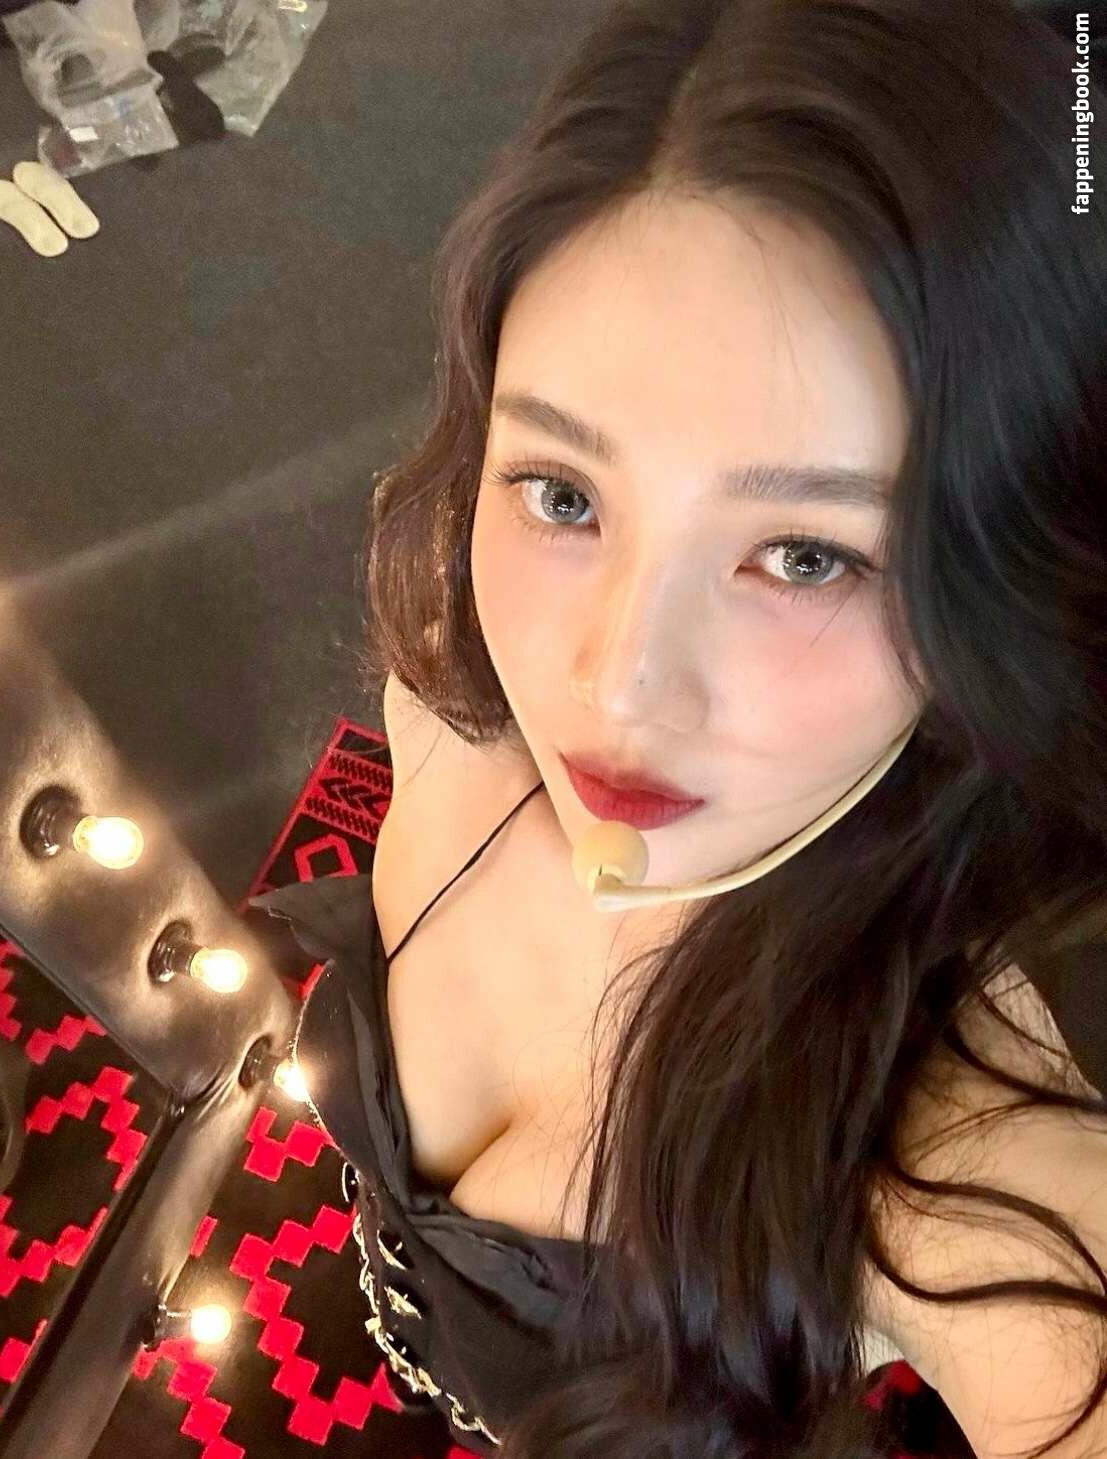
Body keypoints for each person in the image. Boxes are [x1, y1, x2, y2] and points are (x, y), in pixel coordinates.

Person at [252, 1, 1107, 1455]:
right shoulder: (450, 699)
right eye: (564, 494)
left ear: (997, 575)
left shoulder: (961, 1147)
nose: (613, 689)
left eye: (808, 556)